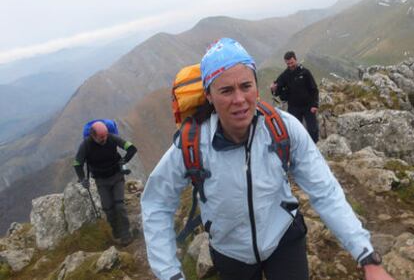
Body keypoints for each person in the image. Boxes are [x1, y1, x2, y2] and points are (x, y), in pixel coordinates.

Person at [141, 38, 394, 280]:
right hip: (230, 253)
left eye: (246, 86)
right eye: (226, 90)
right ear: (209, 96)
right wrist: (170, 273)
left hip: (283, 239)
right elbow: (156, 203)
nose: (239, 99)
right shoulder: (191, 145)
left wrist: (366, 255)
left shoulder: (283, 128)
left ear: (257, 85)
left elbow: (325, 191)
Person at [73, 121, 137, 246]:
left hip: (117, 176)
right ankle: (117, 233)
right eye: (101, 138)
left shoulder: (112, 138)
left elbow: (131, 148)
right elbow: (77, 163)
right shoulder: (86, 145)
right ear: (93, 136)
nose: (105, 139)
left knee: (119, 206)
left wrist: (124, 160)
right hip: (101, 180)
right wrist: (82, 179)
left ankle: (126, 234)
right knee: (108, 209)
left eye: (106, 136)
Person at [270, 51, 319, 143]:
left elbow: (314, 89)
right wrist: (273, 88)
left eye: (292, 62)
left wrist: (314, 105)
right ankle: (298, 148)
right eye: (288, 63)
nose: (290, 65)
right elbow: (277, 90)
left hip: (308, 106)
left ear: (296, 60)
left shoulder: (305, 72)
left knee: (313, 129)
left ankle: (315, 146)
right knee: (294, 130)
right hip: (293, 107)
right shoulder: (285, 75)